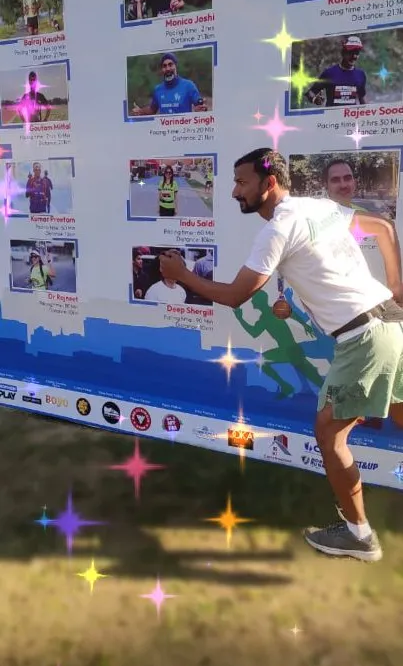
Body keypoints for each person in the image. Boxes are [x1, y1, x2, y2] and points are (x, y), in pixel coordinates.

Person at [160, 147, 403, 563]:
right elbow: (382, 227)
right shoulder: (320, 206)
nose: (235, 191)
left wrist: (182, 276)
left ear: (268, 183)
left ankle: (359, 536)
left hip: (364, 338)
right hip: (392, 322)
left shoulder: (277, 230)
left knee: (329, 435)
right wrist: (396, 288)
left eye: (242, 182)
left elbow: (237, 296)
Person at [131, 53, 207, 116]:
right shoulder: (158, 89)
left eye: (170, 65)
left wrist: (201, 109)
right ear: (162, 70)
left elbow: (200, 106)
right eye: (164, 66)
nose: (167, 69)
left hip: (184, 131)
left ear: (176, 66)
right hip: (165, 132)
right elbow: (152, 109)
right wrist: (141, 111)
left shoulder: (188, 85)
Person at [305, 35, 366, 108]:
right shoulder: (329, 73)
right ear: (343, 52)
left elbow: (362, 98)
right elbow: (310, 93)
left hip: (350, 117)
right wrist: (314, 99)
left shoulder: (360, 75)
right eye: (351, 52)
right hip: (331, 118)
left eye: (357, 53)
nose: (354, 56)